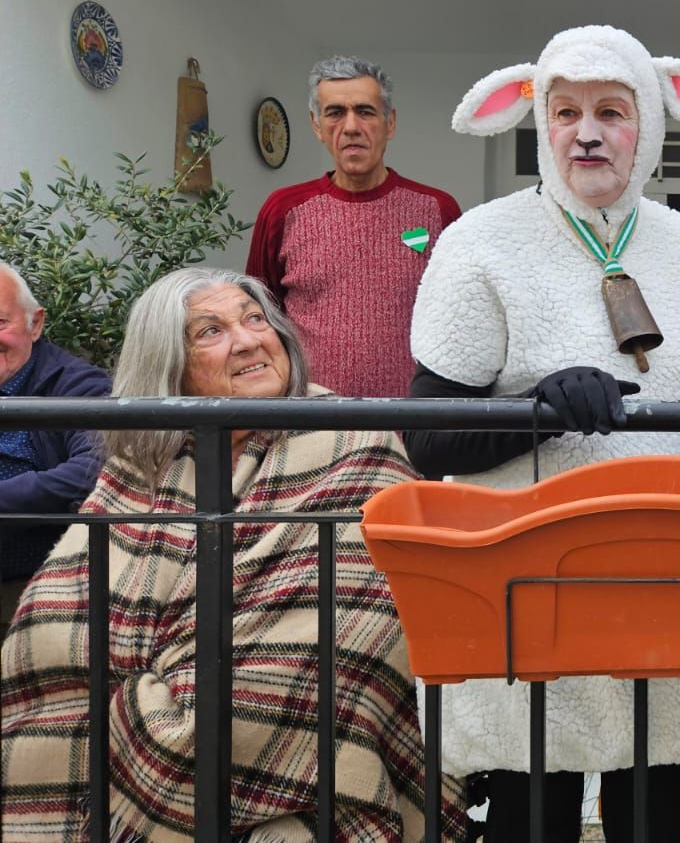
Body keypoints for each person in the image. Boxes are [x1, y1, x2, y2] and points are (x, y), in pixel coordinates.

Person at [405, 25, 680, 842]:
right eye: (565, 112)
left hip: (662, 586)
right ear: (538, 121)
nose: (586, 132)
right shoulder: (478, 243)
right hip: (530, 590)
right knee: (531, 814)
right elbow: (428, 437)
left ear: (651, 127)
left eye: (613, 112)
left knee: (657, 813)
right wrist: (538, 409)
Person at [0, 267, 466, 841]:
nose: (248, 340)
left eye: (255, 319)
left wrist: (143, 713)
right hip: (139, 723)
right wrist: (154, 701)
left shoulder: (355, 443)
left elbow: (349, 636)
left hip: (293, 745)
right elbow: (53, 627)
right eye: (210, 331)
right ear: (170, 365)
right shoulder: (143, 460)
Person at [246, 55, 461, 399]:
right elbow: (257, 321)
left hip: (414, 427)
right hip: (310, 428)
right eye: (335, 113)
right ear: (316, 125)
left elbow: (459, 318)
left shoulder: (437, 209)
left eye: (365, 111)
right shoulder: (283, 210)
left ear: (389, 123)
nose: (350, 127)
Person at [0, 261, 109, 632]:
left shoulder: (78, 386)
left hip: (42, 585)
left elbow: (93, 468)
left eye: (0, 323)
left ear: (36, 323)